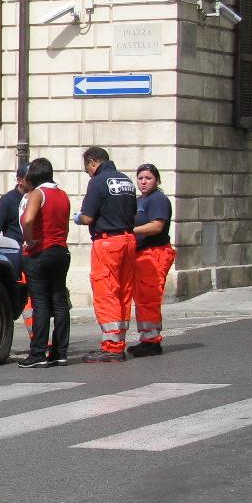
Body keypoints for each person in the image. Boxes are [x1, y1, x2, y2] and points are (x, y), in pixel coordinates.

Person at [76, 145, 137, 363]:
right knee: (123, 291)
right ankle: (119, 340)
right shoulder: (127, 181)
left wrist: (78, 217)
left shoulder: (98, 182)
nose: (88, 173)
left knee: (107, 291)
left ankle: (111, 347)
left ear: (93, 163)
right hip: (129, 240)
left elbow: (88, 217)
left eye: (87, 169)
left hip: (108, 243)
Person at [16, 157, 71, 368]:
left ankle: (38, 353)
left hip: (41, 252)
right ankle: (60, 351)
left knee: (40, 304)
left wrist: (29, 241)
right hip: (60, 251)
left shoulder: (38, 193)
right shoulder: (62, 194)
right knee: (59, 301)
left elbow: (29, 219)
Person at [128, 163, 175, 357]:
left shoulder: (158, 200)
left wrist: (130, 231)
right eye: (140, 178)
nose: (144, 182)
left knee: (150, 297)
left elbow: (156, 226)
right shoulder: (138, 200)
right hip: (141, 254)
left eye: (148, 178)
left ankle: (152, 341)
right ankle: (146, 338)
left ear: (157, 180)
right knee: (142, 298)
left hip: (155, 252)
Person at [0, 162, 34, 343]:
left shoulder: (37, 197)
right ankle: (36, 338)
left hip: (35, 255)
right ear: (19, 180)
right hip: (16, 257)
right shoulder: (8, 200)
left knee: (37, 299)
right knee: (23, 301)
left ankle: (40, 338)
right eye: (30, 179)